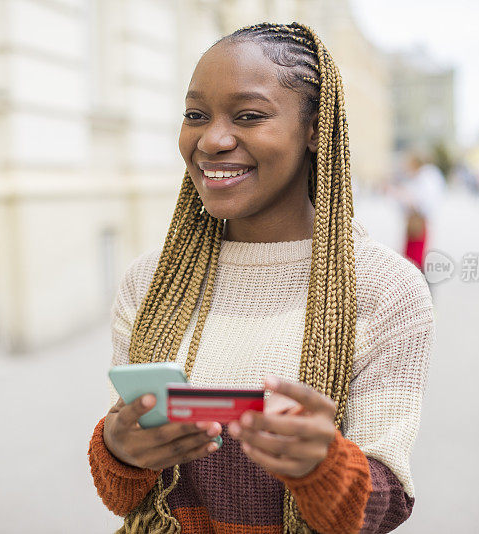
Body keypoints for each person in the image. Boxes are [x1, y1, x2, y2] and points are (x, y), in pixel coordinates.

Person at [87, 22, 434, 534]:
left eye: (249, 116)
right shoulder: (152, 281)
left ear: (316, 129)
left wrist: (324, 465)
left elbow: (383, 508)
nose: (212, 139)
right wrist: (119, 448)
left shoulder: (385, 289)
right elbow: (123, 497)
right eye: (195, 115)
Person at [393, 152, 446, 273]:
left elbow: (422, 201)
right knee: (412, 258)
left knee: (414, 260)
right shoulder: (422, 177)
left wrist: (403, 196)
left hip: (418, 222)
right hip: (417, 222)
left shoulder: (425, 178)